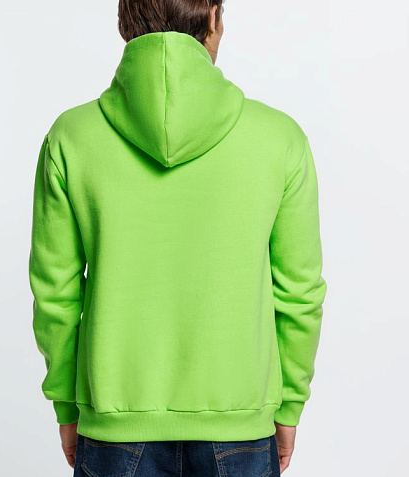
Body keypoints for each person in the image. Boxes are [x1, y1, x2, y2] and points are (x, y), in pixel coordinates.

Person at [28, 1, 328, 475]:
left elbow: (56, 294)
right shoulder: (279, 138)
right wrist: (289, 405)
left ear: (125, 20)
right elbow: (299, 293)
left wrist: (66, 404)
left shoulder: (71, 137)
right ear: (212, 18)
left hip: (114, 430)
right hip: (239, 429)